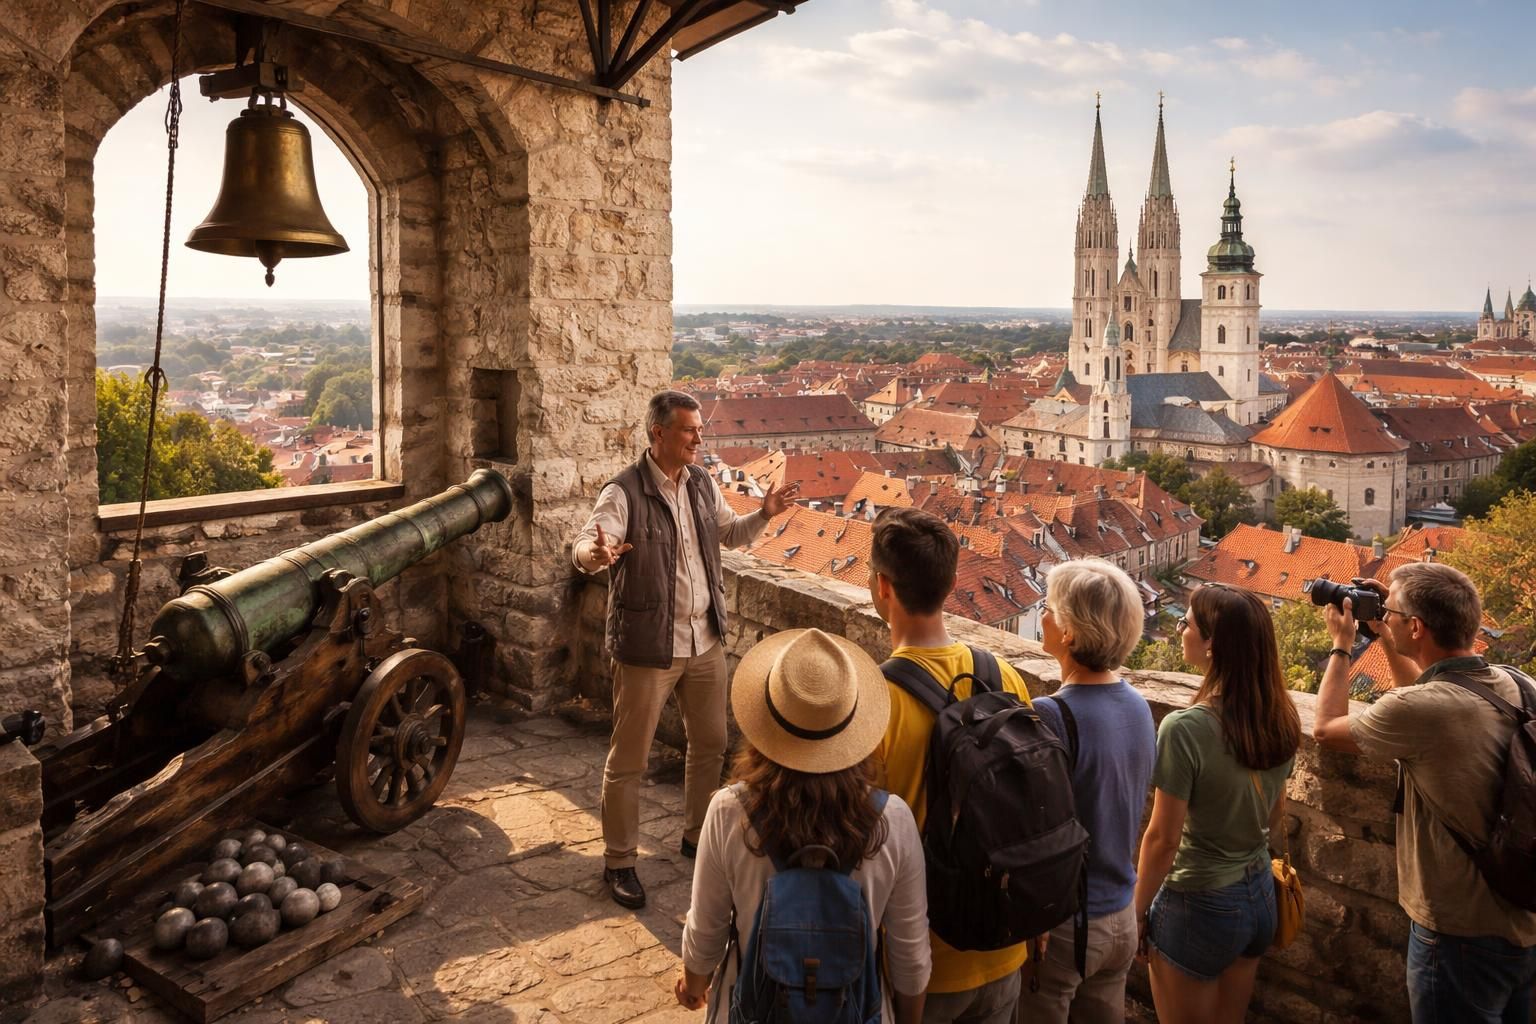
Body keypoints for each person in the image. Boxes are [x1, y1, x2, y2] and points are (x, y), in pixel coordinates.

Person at [572, 390, 799, 909]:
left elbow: (730, 535)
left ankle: (697, 837)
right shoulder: (624, 491)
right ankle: (620, 860)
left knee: (711, 747)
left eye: (700, 429)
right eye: (689, 430)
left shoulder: (700, 482)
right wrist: (597, 555)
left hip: (705, 640)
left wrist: (763, 513)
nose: (700, 438)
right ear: (658, 433)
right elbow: (585, 547)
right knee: (629, 760)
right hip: (649, 647)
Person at [1312, 563, 1536, 1022]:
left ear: (1416, 626)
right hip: (1523, 917)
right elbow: (1414, 700)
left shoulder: (1423, 711)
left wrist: (1341, 645)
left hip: (1458, 930)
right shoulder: (1515, 683)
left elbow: (1324, 728)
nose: (1387, 616)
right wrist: (1382, 631)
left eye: (1392, 612)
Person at [675, 628, 930, 1022]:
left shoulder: (730, 811)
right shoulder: (892, 820)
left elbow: (705, 932)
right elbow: (910, 960)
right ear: (851, 725)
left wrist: (694, 986)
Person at [868, 506, 1034, 1024]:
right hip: (1003, 940)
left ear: (882, 587)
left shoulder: (876, 701)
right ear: (952, 583)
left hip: (920, 961)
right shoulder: (1004, 677)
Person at [1133, 583, 1300, 1024]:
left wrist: (1136, 912)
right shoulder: (1281, 715)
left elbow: (1163, 839)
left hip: (1200, 899)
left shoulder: (1185, 728)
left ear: (1212, 643)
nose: (1180, 627)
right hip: (1259, 891)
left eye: (1187, 622)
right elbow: (1276, 810)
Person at [1016, 560, 1155, 1024]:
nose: (1043, 616)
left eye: (1050, 609)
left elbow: (1037, 828)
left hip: (1068, 923)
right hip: (1120, 914)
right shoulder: (1138, 707)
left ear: (1071, 633)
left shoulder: (1052, 714)